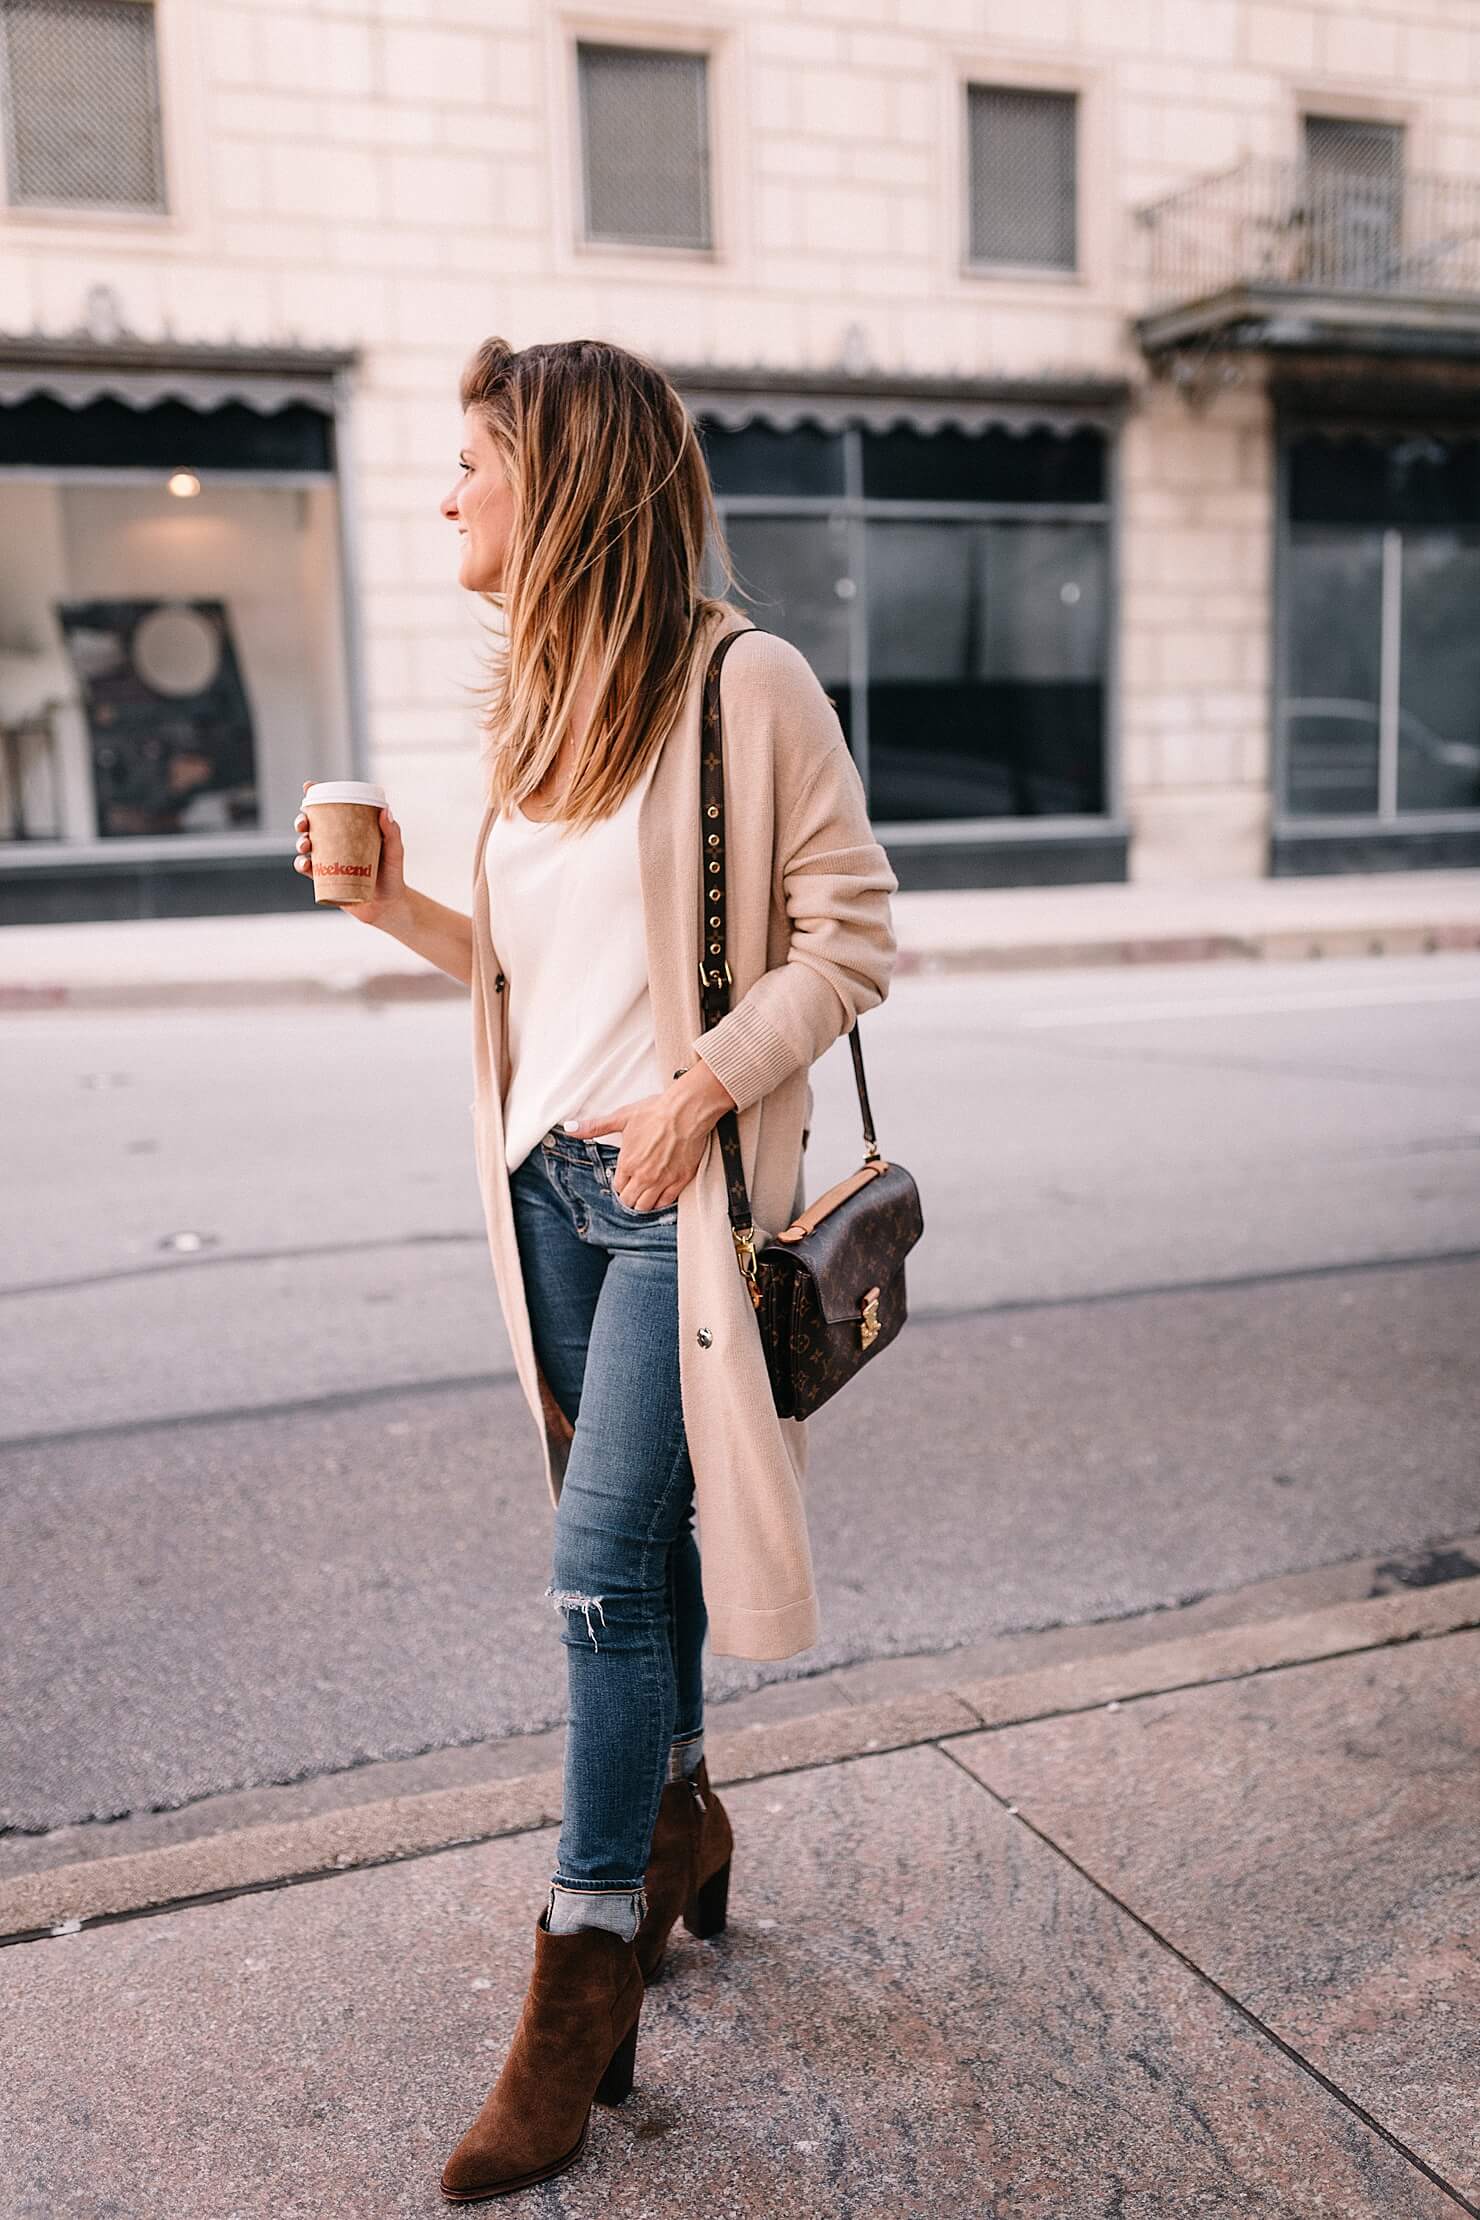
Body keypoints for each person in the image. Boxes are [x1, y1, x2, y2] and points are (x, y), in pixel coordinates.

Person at [293, 335, 898, 2202]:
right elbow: (537, 979)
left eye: (474, 460)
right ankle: (685, 1817)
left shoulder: (748, 681)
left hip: (677, 1203)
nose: (447, 492)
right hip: (548, 1193)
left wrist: (708, 1086)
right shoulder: (539, 698)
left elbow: (853, 937)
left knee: (589, 1581)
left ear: (563, 479)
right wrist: (396, 901)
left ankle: (580, 1962)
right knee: (642, 1552)